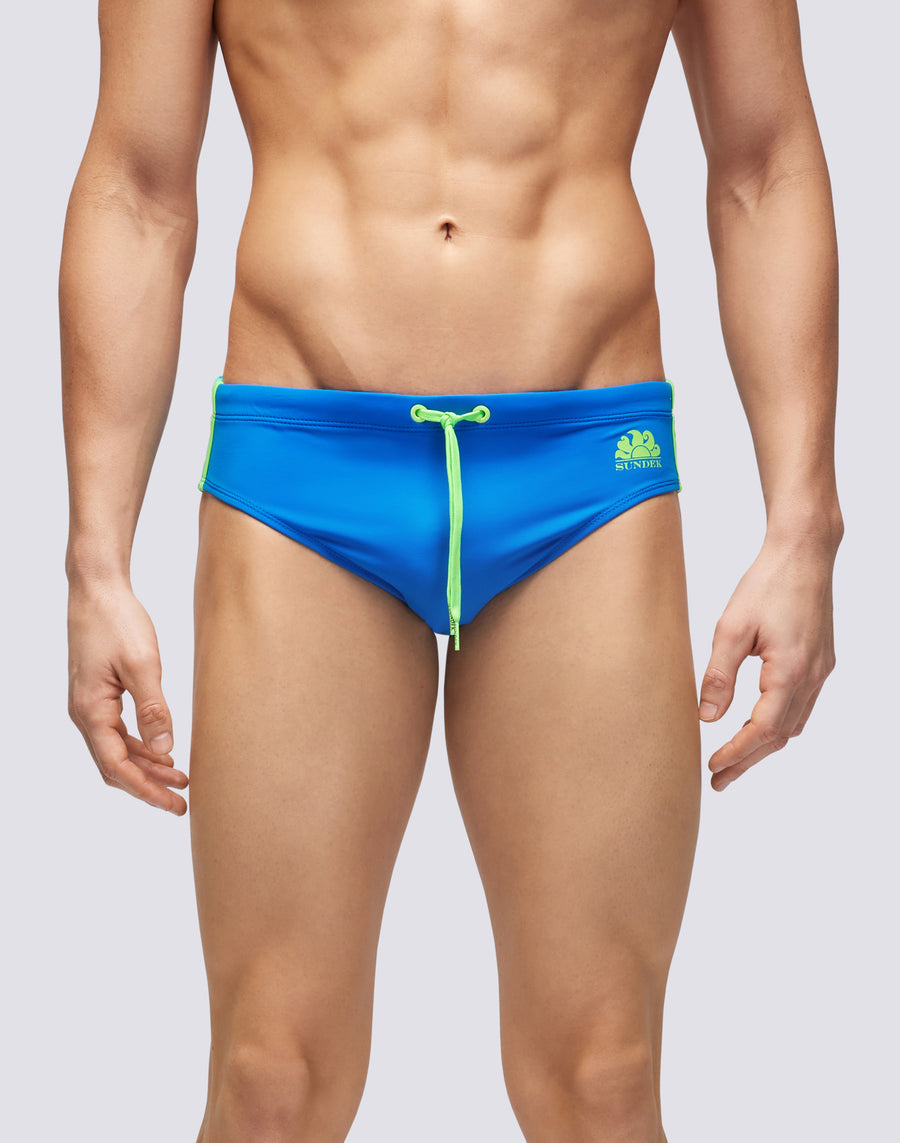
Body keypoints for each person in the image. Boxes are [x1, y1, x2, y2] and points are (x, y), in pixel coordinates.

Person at [59, 0, 842, 1139]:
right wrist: (96, 561)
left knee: (603, 1076)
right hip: (305, 464)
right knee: (272, 1079)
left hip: (584, 468)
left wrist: (803, 524)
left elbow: (765, 160)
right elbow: (137, 183)